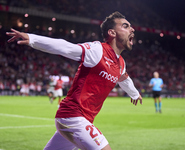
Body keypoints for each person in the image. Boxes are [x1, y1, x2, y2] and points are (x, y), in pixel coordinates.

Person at [7, 11, 142, 150]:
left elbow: (124, 78)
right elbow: (66, 47)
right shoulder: (98, 50)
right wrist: (32, 38)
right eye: (126, 26)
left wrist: (134, 93)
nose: (132, 29)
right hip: (73, 117)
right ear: (112, 33)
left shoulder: (121, 63)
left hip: (79, 119)